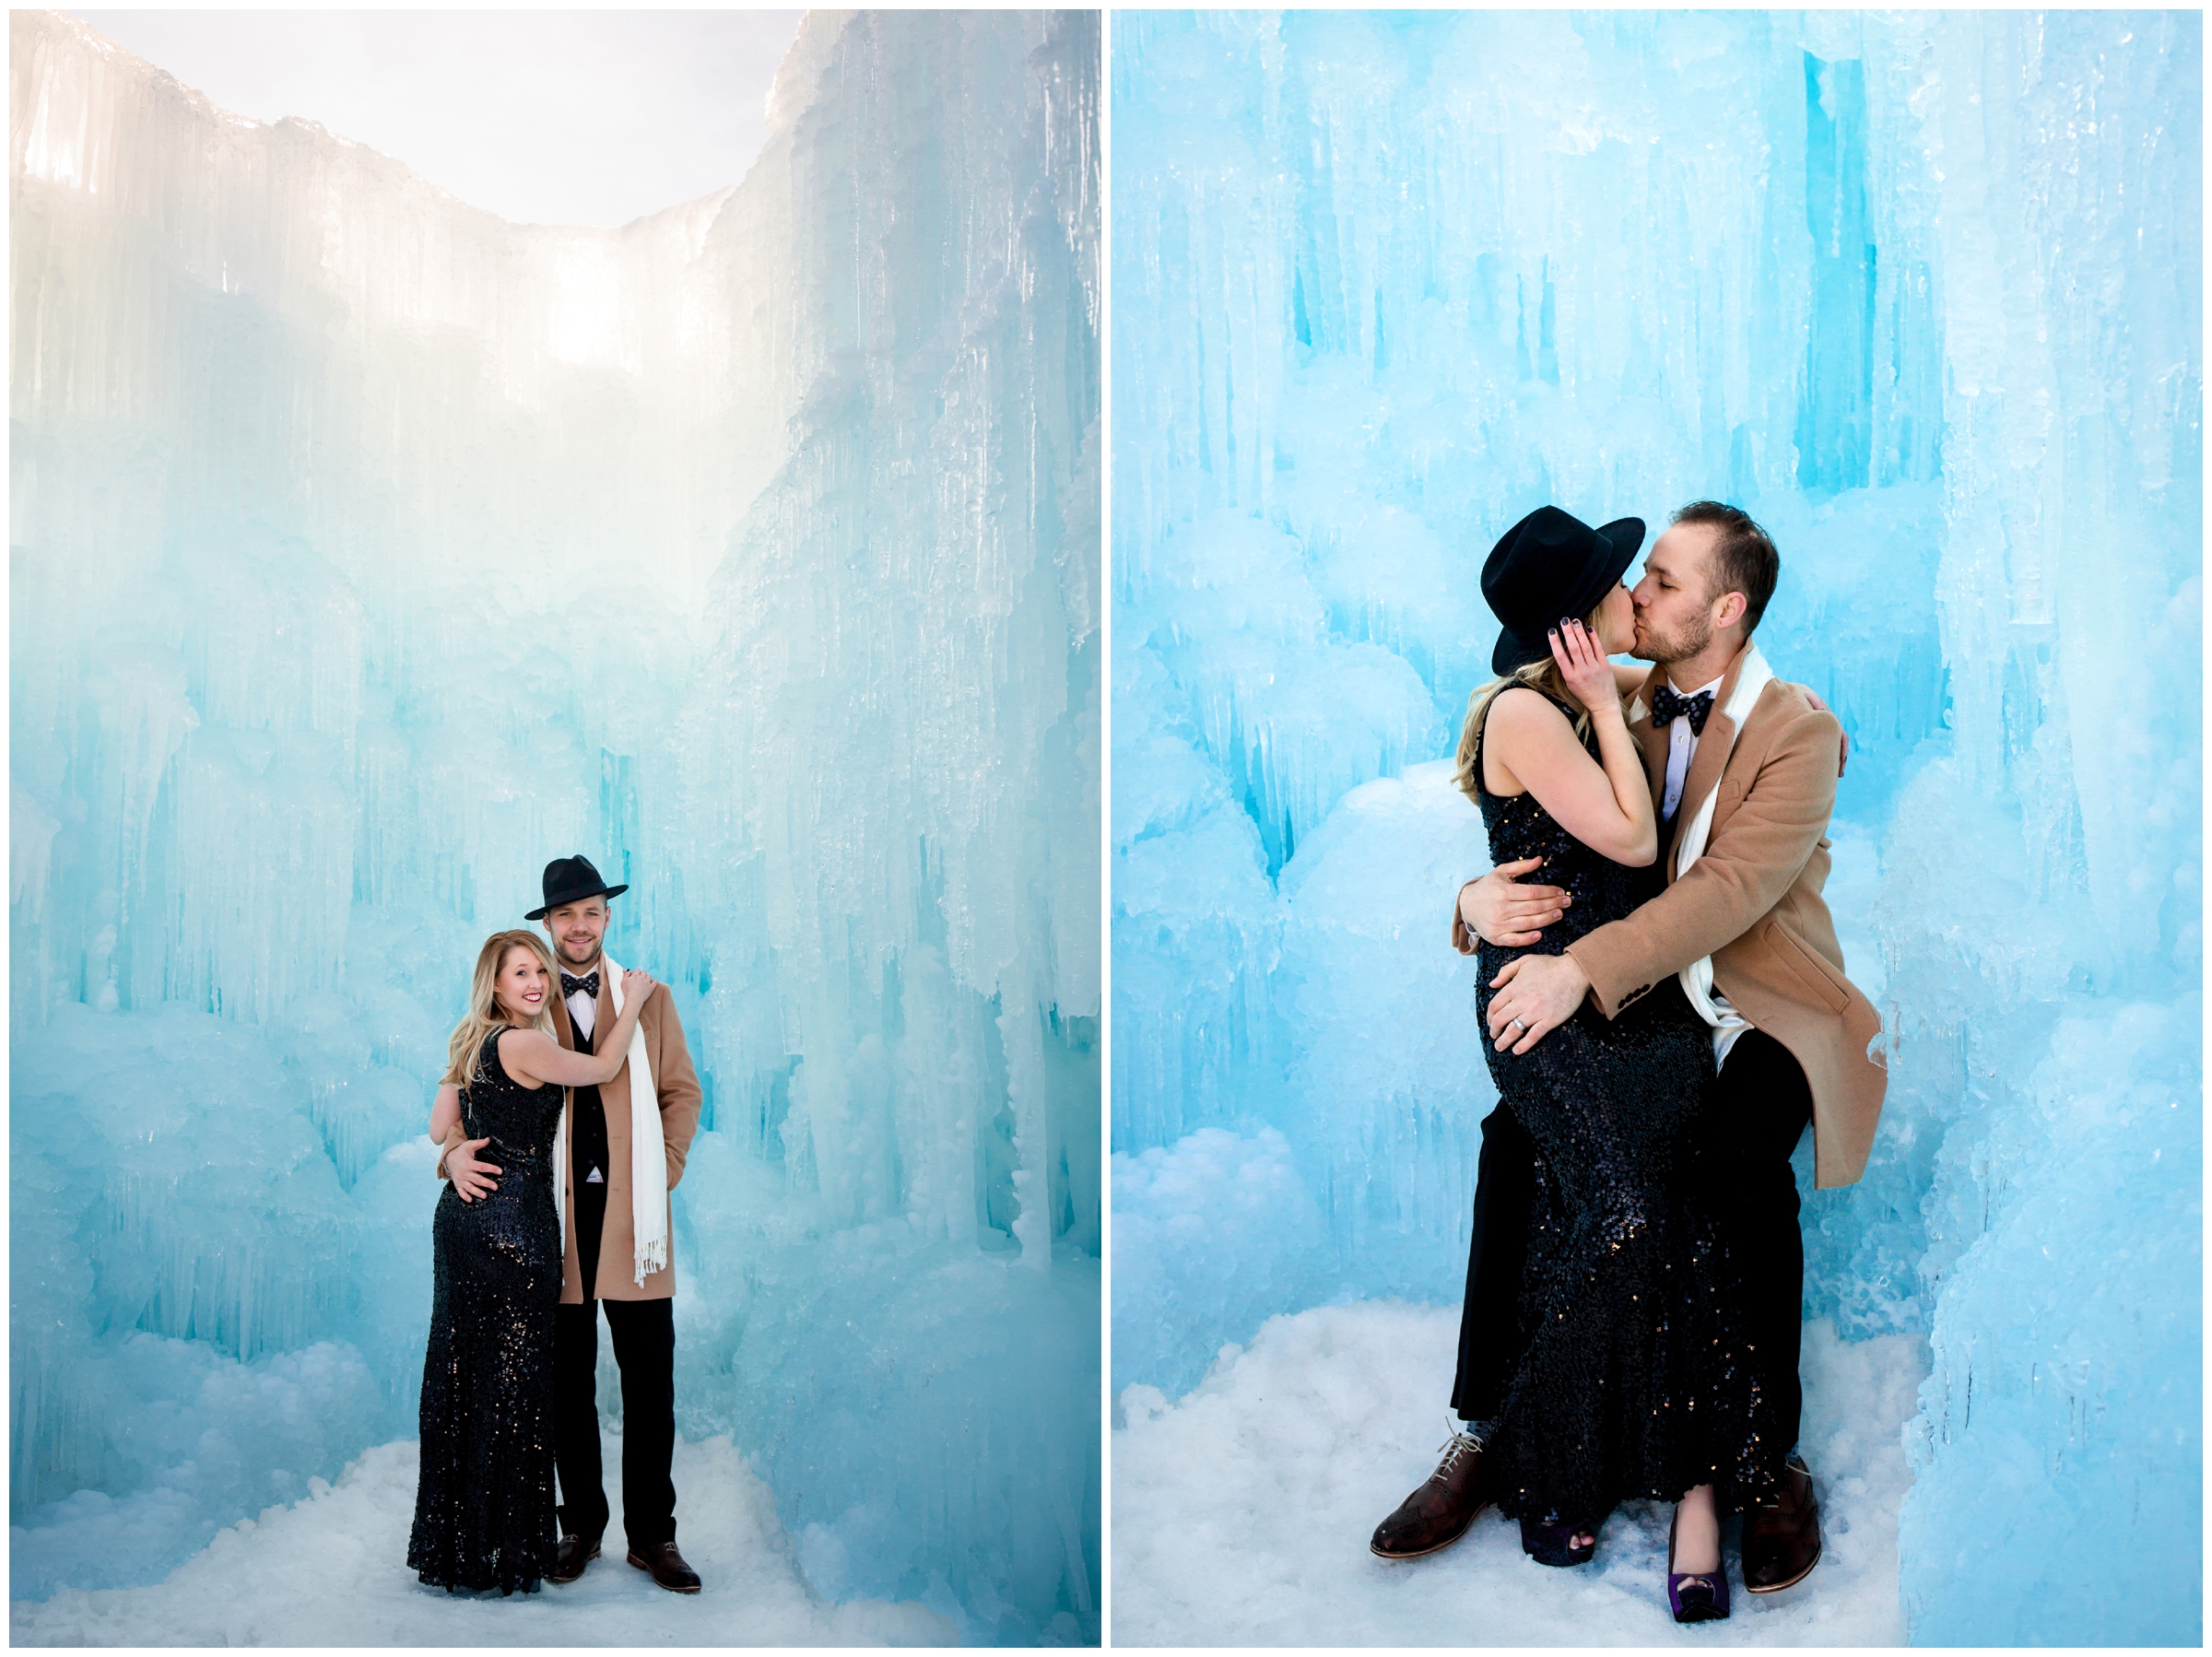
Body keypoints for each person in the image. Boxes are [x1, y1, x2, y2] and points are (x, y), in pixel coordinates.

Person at [1371, 501, 1885, 1611]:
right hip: (1644, 1012)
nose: (1639, 595)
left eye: (1662, 579)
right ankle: (1483, 1428)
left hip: (1759, 1011)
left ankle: (1766, 1460)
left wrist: (1579, 972)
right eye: (1638, 577)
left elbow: (1723, 893)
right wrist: (1468, 907)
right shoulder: (1623, 700)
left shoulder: (1796, 732)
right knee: (1516, 1142)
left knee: (1734, 1167)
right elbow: (1546, 840)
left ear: (1728, 608)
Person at [440, 854, 706, 1593]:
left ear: (606, 918)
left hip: (634, 1221)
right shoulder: (523, 1002)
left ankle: (654, 1536)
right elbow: (470, 1097)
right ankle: (579, 1527)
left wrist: (665, 1168)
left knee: (650, 1383)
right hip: (543, 1223)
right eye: (565, 915)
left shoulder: (647, 998)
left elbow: (681, 1092)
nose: (579, 926)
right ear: (547, 925)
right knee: (565, 1383)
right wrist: (455, 1156)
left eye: (590, 912)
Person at [407, 929, 654, 1594]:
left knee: (465, 1377)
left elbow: (439, 1129)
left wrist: (455, 1153)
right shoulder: (525, 1042)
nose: (537, 984)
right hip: (515, 1228)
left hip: (461, 1225)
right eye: (521, 974)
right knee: (515, 1386)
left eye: (539, 972)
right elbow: (603, 1069)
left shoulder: (471, 1045)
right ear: (496, 984)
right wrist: (632, 1001)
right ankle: (508, 1550)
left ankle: (462, 1548)